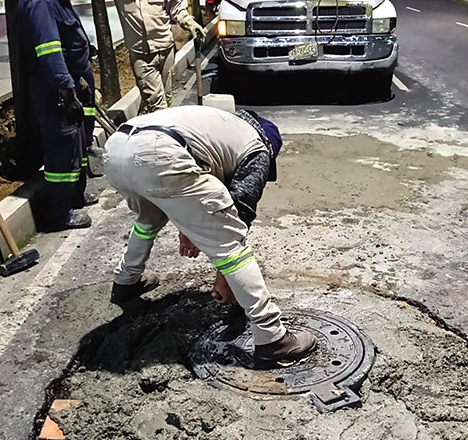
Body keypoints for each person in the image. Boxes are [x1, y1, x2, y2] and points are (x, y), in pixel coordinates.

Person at [103, 105, 317, 365]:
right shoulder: (258, 149)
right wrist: (224, 278)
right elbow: (237, 215)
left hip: (118, 150)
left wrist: (190, 230)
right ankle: (272, 338)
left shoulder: (219, 125)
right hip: (160, 153)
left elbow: (187, 192)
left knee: (148, 219)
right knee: (231, 246)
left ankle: (126, 282)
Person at [19, 0, 100, 232]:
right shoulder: (40, 0)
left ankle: (74, 196)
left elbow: (66, 41)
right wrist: (66, 89)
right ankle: (58, 213)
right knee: (62, 151)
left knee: (76, 143)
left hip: (68, 84)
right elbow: (50, 51)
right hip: (54, 92)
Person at [74, 0, 207, 113]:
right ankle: (163, 131)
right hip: (141, 57)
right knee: (158, 105)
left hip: (166, 49)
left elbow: (175, 5)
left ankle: (148, 124)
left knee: (166, 96)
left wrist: (188, 21)